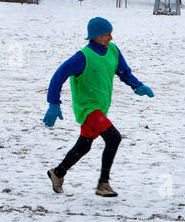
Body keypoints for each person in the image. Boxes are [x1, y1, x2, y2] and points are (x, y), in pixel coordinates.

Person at [43, 17, 153, 197]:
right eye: (106, 34)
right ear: (94, 36)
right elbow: (58, 75)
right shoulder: (83, 57)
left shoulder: (113, 51)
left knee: (84, 145)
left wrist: (137, 85)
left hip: (101, 107)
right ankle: (103, 184)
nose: (110, 36)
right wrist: (54, 103)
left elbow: (123, 72)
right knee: (114, 138)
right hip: (87, 108)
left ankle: (58, 172)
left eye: (111, 32)